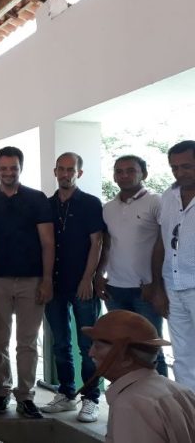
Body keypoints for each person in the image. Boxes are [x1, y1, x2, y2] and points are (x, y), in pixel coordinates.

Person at [0, 146, 54, 418]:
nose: (9, 173)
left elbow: (48, 242)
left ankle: (26, 396)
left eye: (14, 168)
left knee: (27, 342)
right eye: (4, 168)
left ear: (21, 168)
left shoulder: (37, 199)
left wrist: (47, 280)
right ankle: (1, 392)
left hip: (32, 280)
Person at [40, 153, 105, 422]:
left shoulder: (90, 203)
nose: (65, 174)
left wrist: (88, 278)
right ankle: (66, 394)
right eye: (61, 169)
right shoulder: (46, 205)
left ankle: (91, 399)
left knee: (88, 345)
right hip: (54, 284)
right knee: (60, 344)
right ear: (55, 171)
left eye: (71, 169)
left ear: (79, 173)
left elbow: (97, 242)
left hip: (82, 285)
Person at [95, 155, 167, 376]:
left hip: (145, 290)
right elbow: (107, 245)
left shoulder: (156, 202)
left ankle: (160, 394)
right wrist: (99, 275)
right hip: (115, 290)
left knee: (151, 350)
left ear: (144, 174)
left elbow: (163, 244)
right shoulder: (108, 208)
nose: (124, 175)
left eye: (131, 170)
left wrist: (156, 285)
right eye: (119, 171)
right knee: (120, 350)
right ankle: (129, 392)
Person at [82, 310, 195, 443]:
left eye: (98, 347)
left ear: (127, 359)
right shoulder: (181, 391)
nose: (91, 353)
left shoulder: (129, 405)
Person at [149, 140, 195, 391]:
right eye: (175, 167)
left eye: (187, 166)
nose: (180, 173)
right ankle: (189, 407)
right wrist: (158, 287)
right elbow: (162, 242)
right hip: (173, 288)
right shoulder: (168, 197)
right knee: (182, 355)